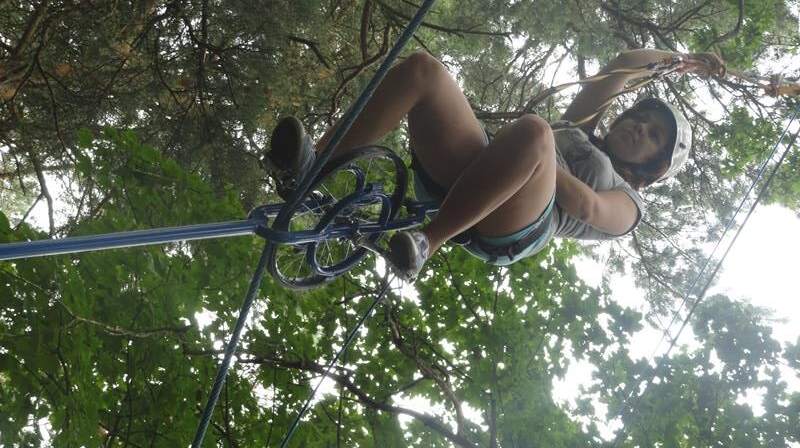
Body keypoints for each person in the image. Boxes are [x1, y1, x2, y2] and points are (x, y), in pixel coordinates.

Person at [265, 49, 725, 281]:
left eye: (653, 137)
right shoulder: (580, 127)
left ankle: (428, 242)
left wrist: (529, 156)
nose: (640, 128)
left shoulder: (630, 204)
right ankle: (311, 168)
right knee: (424, 70)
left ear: (653, 166)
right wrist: (681, 61)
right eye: (642, 118)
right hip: (482, 168)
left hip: (515, 223)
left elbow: (587, 207)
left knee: (535, 133)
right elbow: (623, 65)